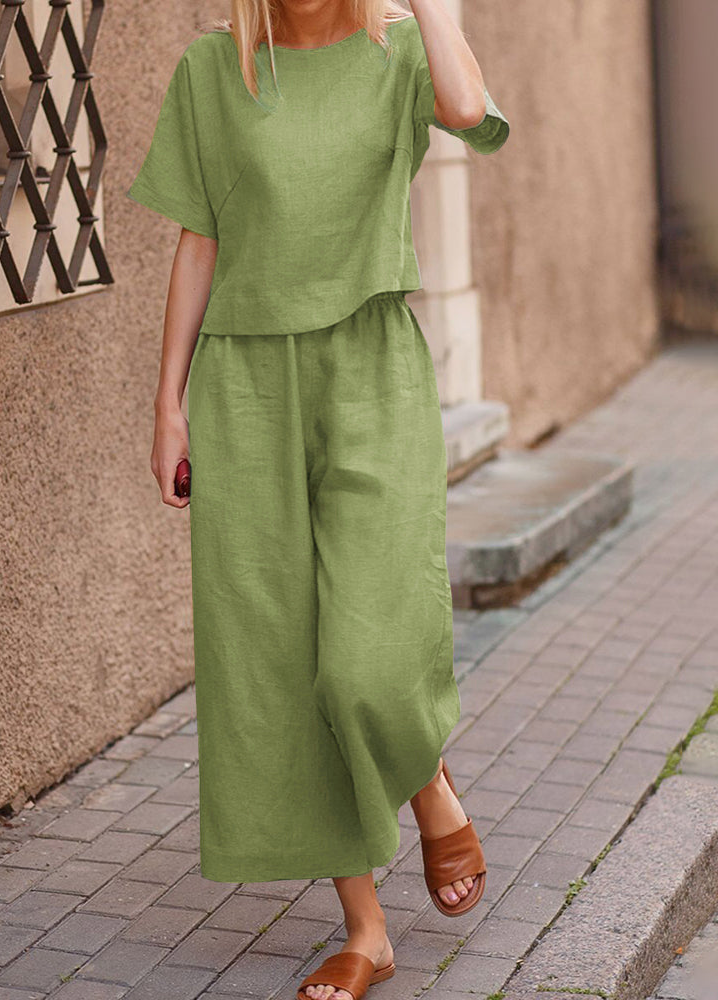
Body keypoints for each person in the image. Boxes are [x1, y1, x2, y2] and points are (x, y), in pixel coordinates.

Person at [127, 0, 509, 997]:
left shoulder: (397, 52)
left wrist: (430, 7)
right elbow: (200, 239)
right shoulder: (213, 71)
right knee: (282, 661)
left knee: (365, 659)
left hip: (368, 371)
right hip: (245, 388)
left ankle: (424, 777)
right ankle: (364, 930)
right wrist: (167, 403)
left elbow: (469, 113)